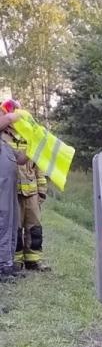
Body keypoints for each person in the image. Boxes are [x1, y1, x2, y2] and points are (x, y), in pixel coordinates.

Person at [13, 131, 51, 271]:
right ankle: (15, 261)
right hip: (13, 194)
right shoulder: (6, 137)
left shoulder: (32, 140)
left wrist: (42, 191)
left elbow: (39, 169)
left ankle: (33, 260)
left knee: (34, 228)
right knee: (15, 229)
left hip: (32, 194)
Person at [0, 110, 25, 282]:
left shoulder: (5, 143)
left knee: (11, 223)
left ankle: (8, 262)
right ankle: (2, 266)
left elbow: (21, 159)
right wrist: (11, 117)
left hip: (10, 193)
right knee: (2, 223)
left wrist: (35, 147)